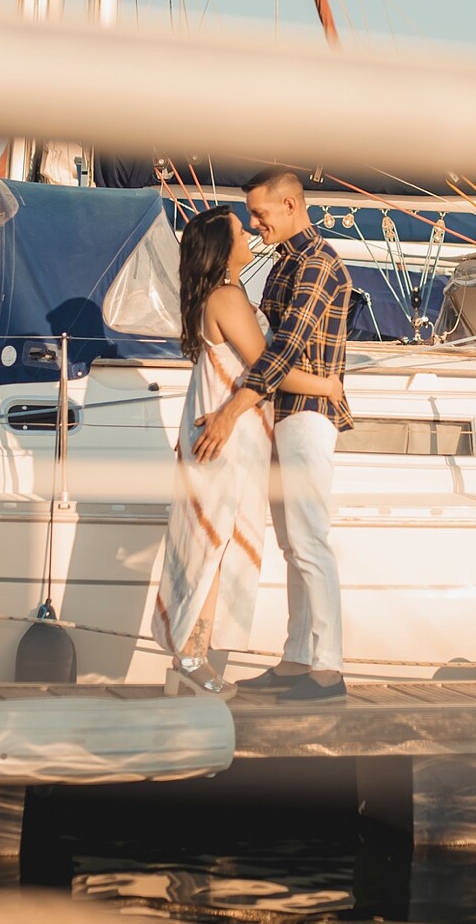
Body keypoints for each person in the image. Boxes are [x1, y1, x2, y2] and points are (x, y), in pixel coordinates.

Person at [152, 206, 344, 696]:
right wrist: (326, 384)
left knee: (206, 541)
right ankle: (193, 659)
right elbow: (266, 367)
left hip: (223, 431)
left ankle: (190, 660)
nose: (249, 233)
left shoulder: (218, 297)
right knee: (212, 544)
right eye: (239, 230)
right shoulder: (228, 297)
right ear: (222, 247)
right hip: (227, 436)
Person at [194, 167, 353, 703]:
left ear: (291, 206)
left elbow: (281, 351)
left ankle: (328, 669)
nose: (255, 223)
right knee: (293, 543)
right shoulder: (285, 265)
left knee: (309, 539)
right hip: (285, 413)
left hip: (307, 417)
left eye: (260, 213)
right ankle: (298, 658)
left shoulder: (317, 264)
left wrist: (232, 410)